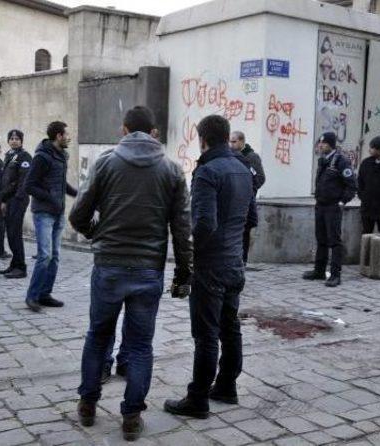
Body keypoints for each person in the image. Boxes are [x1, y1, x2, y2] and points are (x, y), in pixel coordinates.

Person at [70, 106, 192, 441]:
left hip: (109, 265)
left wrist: (97, 232)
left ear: (124, 130)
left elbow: (78, 213)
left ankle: (87, 403)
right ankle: (132, 416)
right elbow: (183, 229)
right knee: (140, 345)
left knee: (98, 335)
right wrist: (183, 274)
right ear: (154, 133)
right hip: (148, 270)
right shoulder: (171, 170)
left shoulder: (106, 163)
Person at [163, 115, 252, 420]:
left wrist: (188, 260)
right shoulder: (242, 168)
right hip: (235, 261)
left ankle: (198, 398)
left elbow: (203, 224)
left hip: (211, 265)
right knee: (230, 327)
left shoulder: (207, 172)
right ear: (226, 137)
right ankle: (227, 385)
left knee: (206, 335)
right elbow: (250, 218)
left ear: (202, 139)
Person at [24, 122, 78, 310]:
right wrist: (51, 198)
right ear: (58, 136)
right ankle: (32, 296)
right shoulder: (42, 157)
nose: (69, 138)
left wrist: (78, 194)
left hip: (58, 213)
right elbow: (29, 185)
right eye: (67, 134)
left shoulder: (62, 155)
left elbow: (61, 183)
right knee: (44, 255)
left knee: (54, 256)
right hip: (43, 214)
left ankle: (45, 294)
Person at [302, 132, 357, 287]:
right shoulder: (323, 161)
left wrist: (341, 202)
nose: (320, 146)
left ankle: (335, 274)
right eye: (320, 143)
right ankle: (319, 270)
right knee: (321, 239)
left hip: (333, 206)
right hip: (321, 205)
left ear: (331, 145)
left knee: (334, 241)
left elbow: (352, 186)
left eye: (323, 143)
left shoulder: (341, 161)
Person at [229, 131, 266, 264]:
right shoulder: (230, 156)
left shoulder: (251, 157)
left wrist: (248, 192)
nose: (231, 144)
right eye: (230, 141)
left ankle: (242, 262)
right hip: (232, 203)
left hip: (246, 203)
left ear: (241, 142)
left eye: (234, 142)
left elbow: (260, 178)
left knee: (244, 234)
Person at [0, 129, 32, 279]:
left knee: (15, 233)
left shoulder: (24, 157)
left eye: (17, 138)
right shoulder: (9, 156)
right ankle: (14, 263)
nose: (14, 141)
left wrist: (17, 199)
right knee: (10, 233)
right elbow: (5, 181)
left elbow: (24, 181)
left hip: (18, 200)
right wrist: (4, 200)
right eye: (11, 138)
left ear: (21, 141)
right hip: (9, 199)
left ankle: (21, 267)